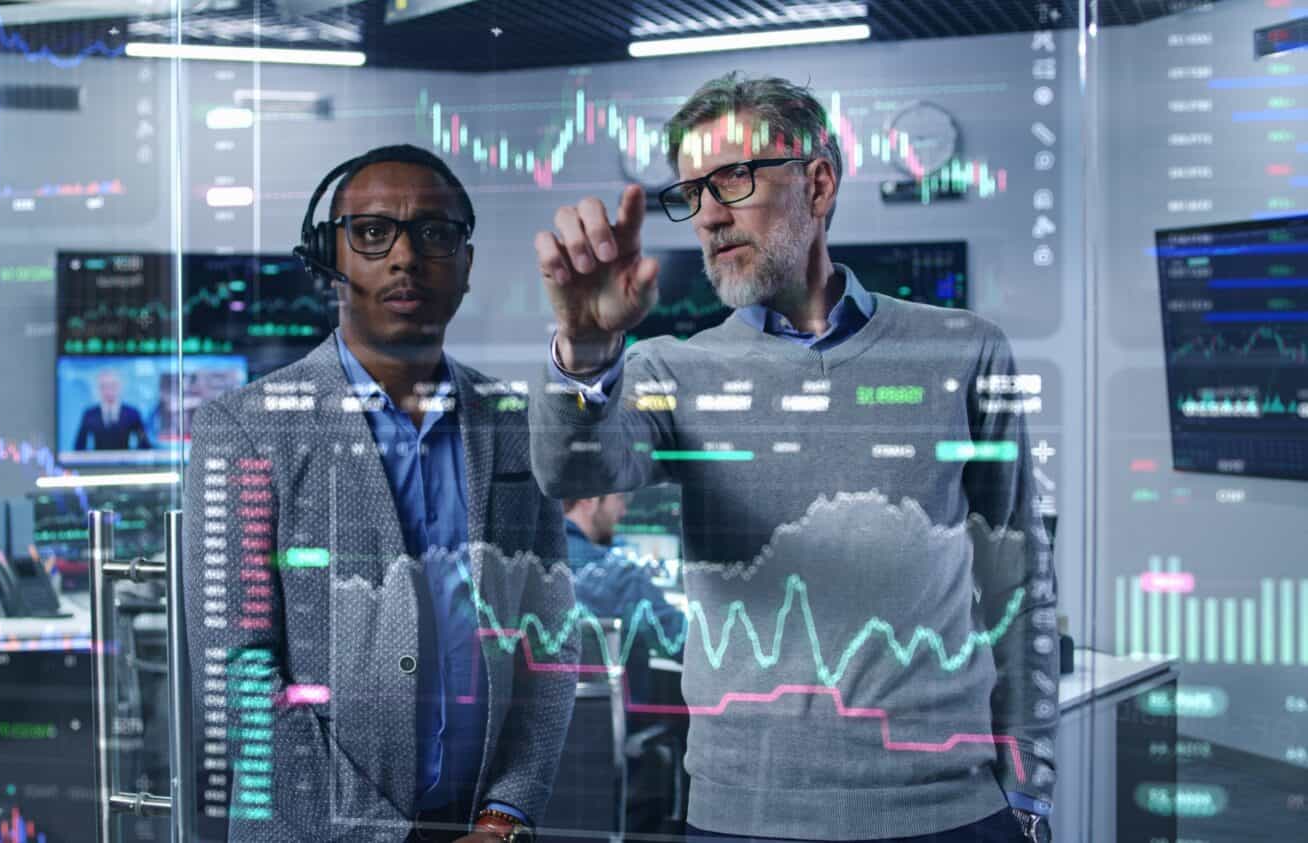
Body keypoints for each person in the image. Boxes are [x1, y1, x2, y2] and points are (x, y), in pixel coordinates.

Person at [529, 73, 1057, 843]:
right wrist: (582, 350)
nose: (707, 214)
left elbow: (1019, 582)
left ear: (818, 181)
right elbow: (575, 474)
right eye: (691, 192)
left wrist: (1031, 794)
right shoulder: (668, 370)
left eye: (732, 180)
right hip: (743, 816)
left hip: (952, 813)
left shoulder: (964, 348)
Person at [183, 144, 577, 843]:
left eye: (433, 234)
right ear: (329, 258)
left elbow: (549, 643)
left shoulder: (515, 427)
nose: (404, 257)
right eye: (372, 233)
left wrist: (504, 814)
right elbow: (236, 675)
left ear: (465, 265)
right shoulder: (242, 431)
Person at [563, 494, 687, 675]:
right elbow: (689, 646)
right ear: (589, 499)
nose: (623, 510)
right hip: (616, 703)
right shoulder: (622, 577)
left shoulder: (533, 566)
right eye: (620, 499)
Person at [73, 368, 151, 450]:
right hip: (97, 461)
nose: (109, 390)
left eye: (113, 385)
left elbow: (144, 443)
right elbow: (79, 445)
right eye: (104, 386)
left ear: (120, 387)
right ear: (98, 389)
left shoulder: (132, 413)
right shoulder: (90, 414)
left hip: (125, 460)